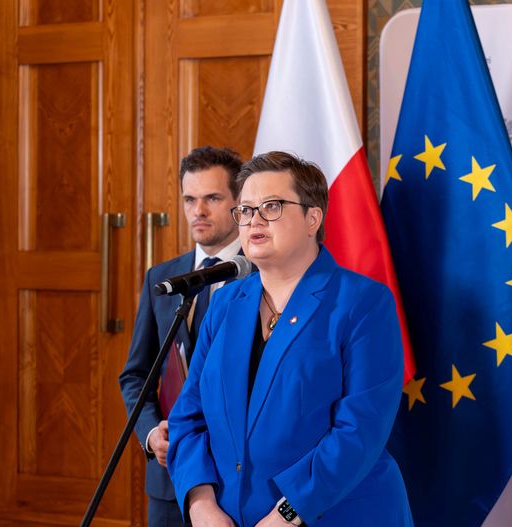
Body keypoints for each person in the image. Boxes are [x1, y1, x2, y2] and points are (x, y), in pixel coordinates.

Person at [166, 151, 413, 526]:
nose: (254, 220)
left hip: (338, 515)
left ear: (313, 218)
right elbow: (188, 416)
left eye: (272, 206)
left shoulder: (363, 303)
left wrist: (287, 513)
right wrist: (201, 505)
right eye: (245, 210)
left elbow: (360, 431)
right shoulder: (225, 304)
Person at [119, 146, 244, 526]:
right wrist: (150, 434)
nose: (198, 211)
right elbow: (136, 374)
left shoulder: (264, 276)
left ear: (239, 203)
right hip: (168, 475)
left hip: (234, 477)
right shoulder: (161, 277)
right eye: (190, 199)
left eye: (212, 198)